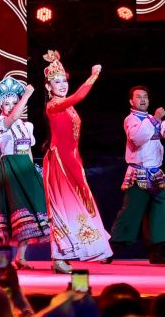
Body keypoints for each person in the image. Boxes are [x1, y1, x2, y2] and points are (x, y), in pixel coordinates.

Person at [42, 50, 113, 273]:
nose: (62, 85)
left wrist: (77, 163)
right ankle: (59, 257)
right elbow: (78, 96)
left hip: (72, 161)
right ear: (48, 86)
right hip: (59, 163)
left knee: (77, 206)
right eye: (56, 82)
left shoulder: (66, 105)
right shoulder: (53, 105)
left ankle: (72, 252)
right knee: (63, 208)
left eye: (64, 81)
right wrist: (93, 76)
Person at [0, 76, 52, 267]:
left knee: (30, 210)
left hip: (25, 167)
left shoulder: (26, 125)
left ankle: (21, 257)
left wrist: (32, 170)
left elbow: (28, 148)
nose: (12, 107)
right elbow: (12, 118)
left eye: (15, 103)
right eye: (7, 103)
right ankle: (2, 262)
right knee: (10, 210)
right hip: (10, 167)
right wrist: (26, 96)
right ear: (0, 106)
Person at [111, 86, 165, 264]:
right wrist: (156, 119)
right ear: (131, 101)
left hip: (155, 172)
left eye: (145, 96)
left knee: (159, 210)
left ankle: (157, 252)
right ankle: (110, 248)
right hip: (138, 172)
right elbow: (138, 138)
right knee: (130, 211)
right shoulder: (131, 119)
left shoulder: (151, 119)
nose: (142, 100)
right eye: (138, 97)